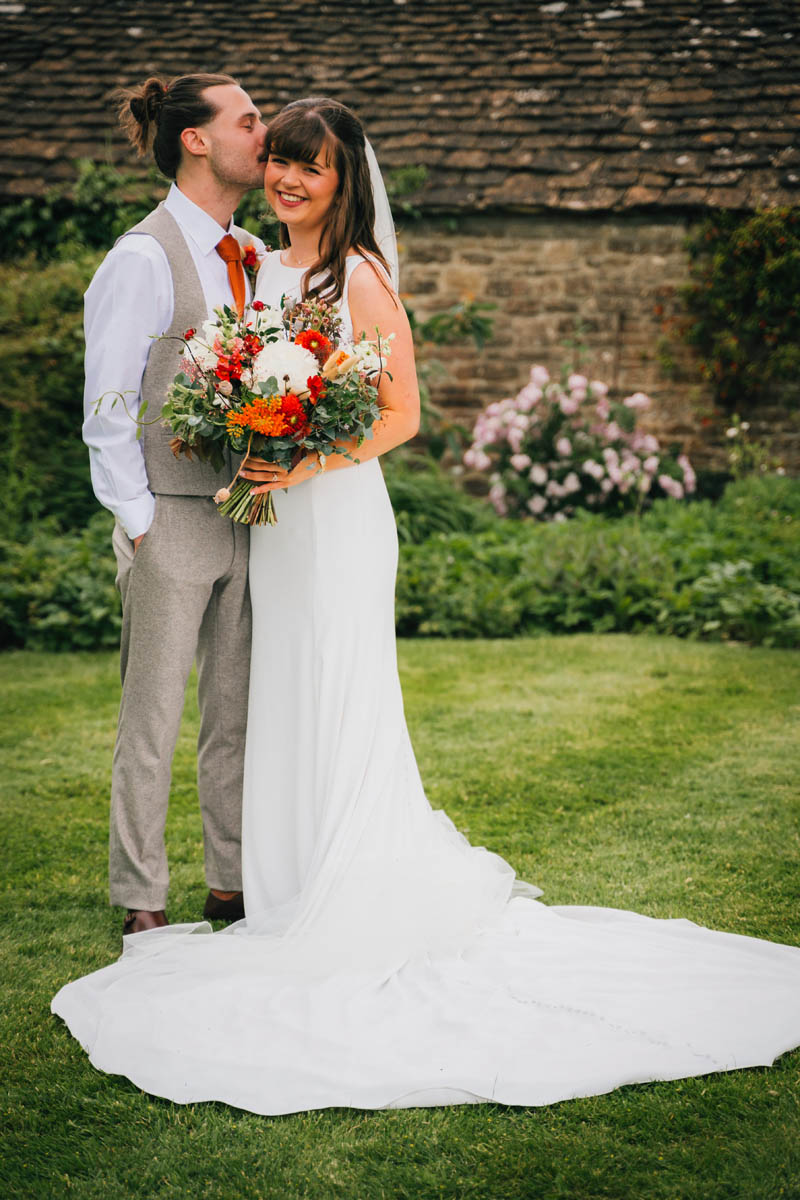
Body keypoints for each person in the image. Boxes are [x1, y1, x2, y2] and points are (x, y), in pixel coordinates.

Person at [53, 98, 800, 1115]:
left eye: (307, 168)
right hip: (267, 518)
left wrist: (301, 457)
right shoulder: (256, 266)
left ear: (343, 178)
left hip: (330, 515)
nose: (285, 180)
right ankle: (275, 882)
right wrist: (252, 440)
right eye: (276, 161)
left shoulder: (355, 275)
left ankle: (342, 881)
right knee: (272, 695)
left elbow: (400, 413)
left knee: (335, 682)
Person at [82, 73, 267, 936]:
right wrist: (140, 520)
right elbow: (110, 404)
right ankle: (140, 897)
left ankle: (228, 884)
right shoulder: (143, 256)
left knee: (236, 716)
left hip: (253, 520)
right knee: (152, 717)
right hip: (170, 515)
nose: (265, 133)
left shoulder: (257, 256)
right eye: (250, 119)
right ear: (197, 139)